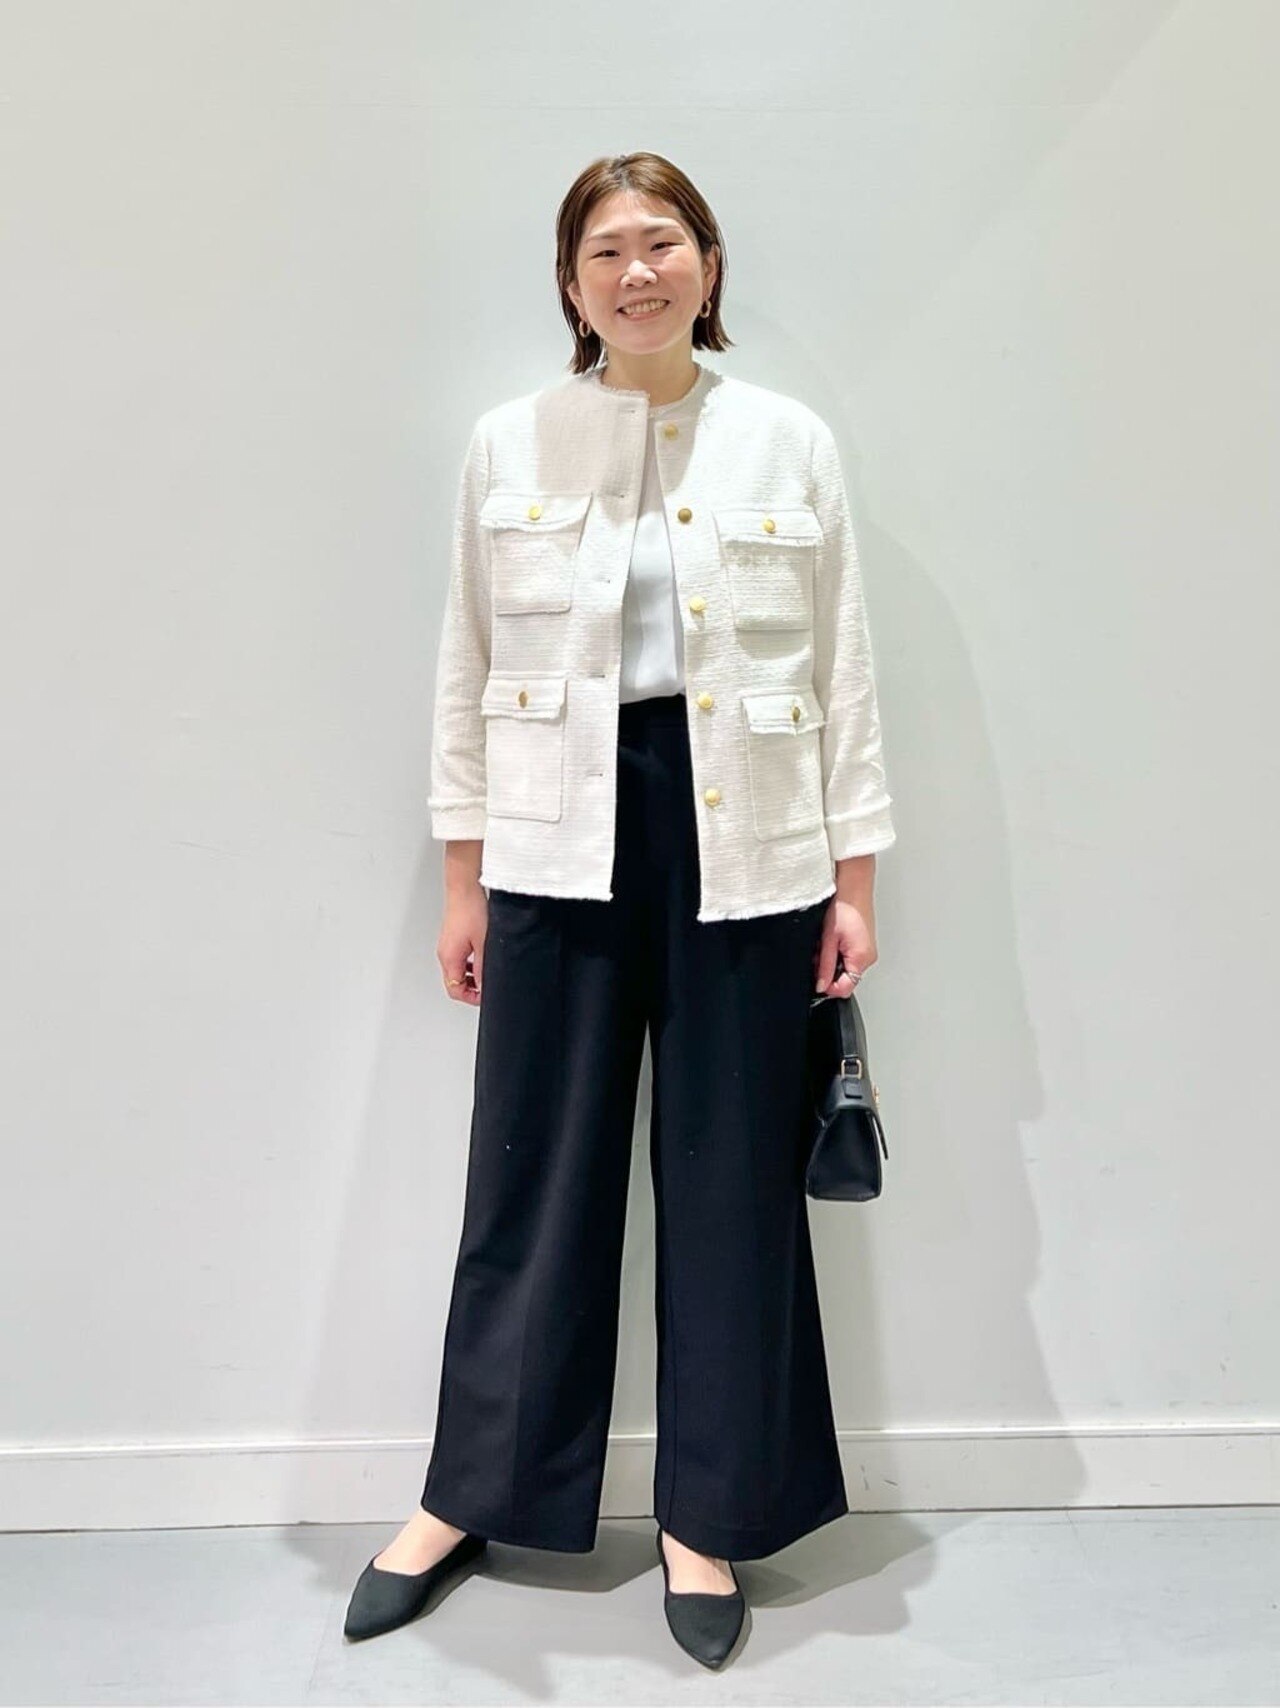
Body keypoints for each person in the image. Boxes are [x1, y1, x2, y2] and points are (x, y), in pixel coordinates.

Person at [344, 150, 896, 1669]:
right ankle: (468, 1496)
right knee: (531, 1176)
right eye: (605, 250)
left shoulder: (786, 441)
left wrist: (852, 883)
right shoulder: (508, 440)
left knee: (732, 1186)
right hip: (553, 840)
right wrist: (463, 879)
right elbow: (467, 663)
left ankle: (708, 1516)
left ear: (708, 264)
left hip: (750, 842)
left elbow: (843, 666)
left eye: (662, 242)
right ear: (570, 281)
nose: (636, 270)